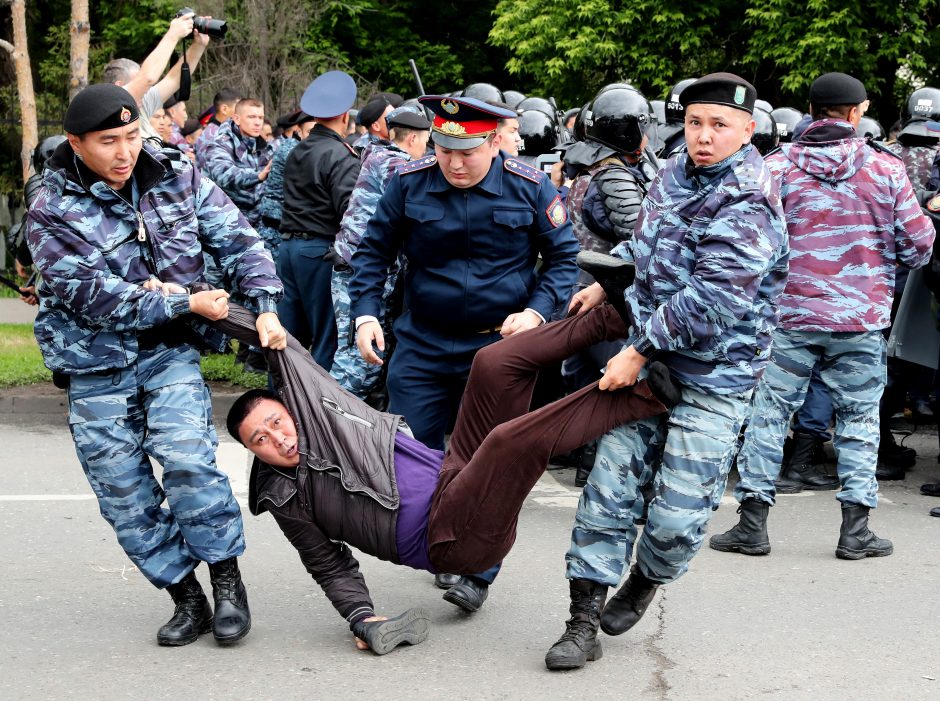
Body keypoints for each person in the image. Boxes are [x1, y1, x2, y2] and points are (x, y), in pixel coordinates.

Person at [220, 298, 678, 655]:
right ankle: (644, 396)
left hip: (455, 473)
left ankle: (617, 316)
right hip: (452, 540)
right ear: (253, 453)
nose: (277, 440)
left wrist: (198, 302)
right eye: (259, 440)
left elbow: (271, 338)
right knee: (507, 443)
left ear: (290, 408)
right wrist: (361, 616)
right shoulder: (286, 497)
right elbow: (328, 563)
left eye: (276, 423)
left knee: (492, 365)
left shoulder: (315, 405)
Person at [24, 84, 287, 647]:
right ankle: (185, 597)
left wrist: (264, 306)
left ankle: (227, 583)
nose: (124, 152)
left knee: (190, 462)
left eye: (131, 136)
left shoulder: (176, 171)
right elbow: (93, 296)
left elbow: (240, 238)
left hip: (167, 352)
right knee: (124, 490)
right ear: (75, 143)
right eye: (108, 141)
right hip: (94, 364)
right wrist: (183, 300)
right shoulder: (50, 205)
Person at [544, 73, 789, 671]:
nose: (704, 137)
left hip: (715, 377)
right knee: (608, 489)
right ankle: (581, 620)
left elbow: (713, 298)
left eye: (720, 126)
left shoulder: (752, 198)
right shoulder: (674, 173)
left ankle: (647, 577)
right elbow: (651, 247)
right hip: (651, 368)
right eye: (697, 123)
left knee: (679, 517)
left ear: (747, 130)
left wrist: (639, 352)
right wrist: (608, 280)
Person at [349, 95, 579, 607]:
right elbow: (373, 252)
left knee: (490, 459)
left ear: (494, 142)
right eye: (444, 149)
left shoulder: (529, 185)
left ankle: (478, 567)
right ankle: (437, 542)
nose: (454, 163)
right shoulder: (408, 183)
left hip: (499, 348)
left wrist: (538, 313)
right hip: (424, 342)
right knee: (409, 453)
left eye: (467, 152)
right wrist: (365, 315)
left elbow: (563, 257)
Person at [709, 73, 934, 559]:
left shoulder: (776, 167)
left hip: (787, 318)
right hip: (861, 320)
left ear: (810, 110)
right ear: (857, 112)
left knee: (768, 417)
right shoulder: (886, 170)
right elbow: (919, 246)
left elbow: (745, 241)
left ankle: (752, 525)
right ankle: (855, 531)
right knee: (858, 420)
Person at [557, 84, 659, 486]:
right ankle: (598, 471)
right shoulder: (613, 175)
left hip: (581, 285)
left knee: (585, 379)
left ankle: (586, 462)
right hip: (606, 291)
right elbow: (640, 236)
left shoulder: (585, 167)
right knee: (611, 384)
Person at [329, 105, 431, 399]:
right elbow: (420, 191)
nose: (427, 149)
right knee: (357, 361)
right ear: (412, 139)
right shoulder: (391, 163)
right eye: (425, 141)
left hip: (369, 269)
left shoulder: (379, 154)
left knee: (370, 358)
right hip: (359, 271)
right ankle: (328, 426)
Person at [278, 71, 361, 369]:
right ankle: (316, 412)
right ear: (343, 116)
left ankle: (279, 403)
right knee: (327, 337)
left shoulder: (298, 149)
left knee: (286, 340)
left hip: (287, 249)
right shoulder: (340, 154)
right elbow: (350, 213)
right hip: (318, 253)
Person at [103, 11, 211, 142]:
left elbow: (174, 79)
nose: (147, 88)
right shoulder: (111, 109)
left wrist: (199, 45)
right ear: (120, 87)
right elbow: (148, 78)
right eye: (139, 82)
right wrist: (173, 35)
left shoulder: (142, 105)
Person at [256, 110, 316, 264]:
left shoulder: (300, 147)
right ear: (299, 132)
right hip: (276, 227)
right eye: (310, 132)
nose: (314, 136)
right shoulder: (294, 150)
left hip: (283, 224)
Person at [204, 98, 274, 229]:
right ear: (237, 119)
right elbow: (223, 175)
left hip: (258, 222)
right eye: (252, 117)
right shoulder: (220, 144)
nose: (258, 122)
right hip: (226, 222)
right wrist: (259, 175)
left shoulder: (264, 146)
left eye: (260, 117)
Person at [195, 88, 242, 169]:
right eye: (238, 108)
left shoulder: (227, 130)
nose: (242, 112)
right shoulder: (212, 136)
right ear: (224, 109)